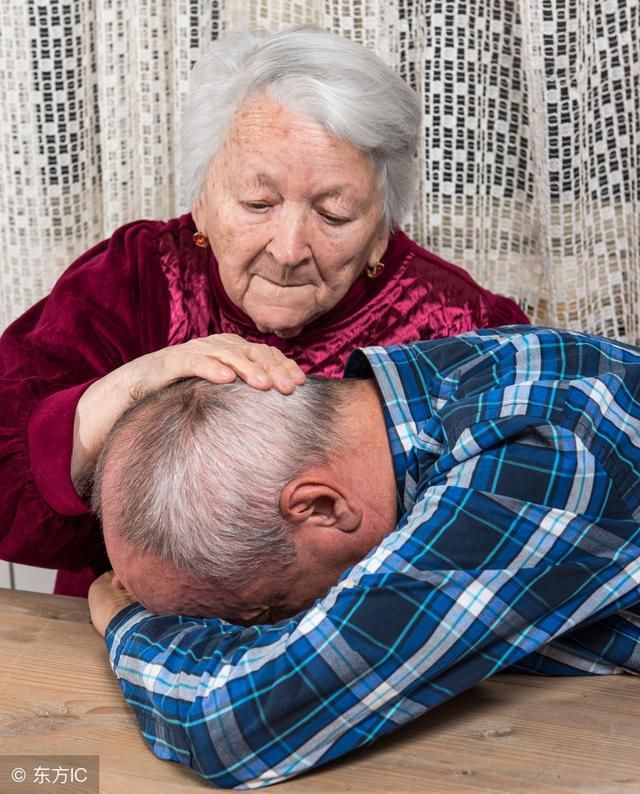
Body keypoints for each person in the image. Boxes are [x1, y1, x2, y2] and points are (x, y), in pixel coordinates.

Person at [0, 26, 527, 598]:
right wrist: (129, 387)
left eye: (335, 213)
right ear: (201, 203)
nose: (289, 248)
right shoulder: (135, 277)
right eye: (258, 203)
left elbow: (508, 548)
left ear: (382, 230)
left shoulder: (464, 327)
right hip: (125, 628)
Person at [89, 325, 640, 789]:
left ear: (321, 507)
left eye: (258, 613)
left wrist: (124, 620)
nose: (258, 629)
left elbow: (236, 720)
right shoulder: (431, 393)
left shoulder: (531, 458)